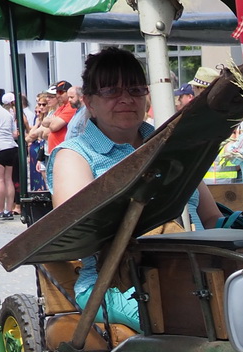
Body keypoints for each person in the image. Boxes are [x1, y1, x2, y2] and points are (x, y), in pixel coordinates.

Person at [50, 48, 225, 330]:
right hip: (115, 284)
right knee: (184, 321)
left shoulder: (171, 147)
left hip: (198, 273)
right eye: (110, 91)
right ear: (89, 102)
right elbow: (76, 233)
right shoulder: (74, 156)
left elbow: (211, 218)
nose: (126, 99)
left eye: (135, 89)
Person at [0, 91, 20, 221]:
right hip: (11, 146)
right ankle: (9, 210)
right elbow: (14, 132)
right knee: (8, 179)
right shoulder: (7, 113)